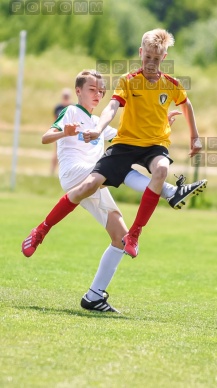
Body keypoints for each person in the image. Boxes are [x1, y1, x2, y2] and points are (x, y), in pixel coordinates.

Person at [34, 69, 204, 313]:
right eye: (92, 89)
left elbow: (129, 138)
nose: (97, 94)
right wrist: (65, 132)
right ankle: (168, 191)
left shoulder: (98, 123)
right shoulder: (70, 111)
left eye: (101, 90)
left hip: (92, 180)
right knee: (116, 167)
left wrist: (161, 124)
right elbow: (45, 137)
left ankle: (94, 296)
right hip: (74, 174)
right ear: (78, 91)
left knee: (120, 238)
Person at [22, 29, 204, 251]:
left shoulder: (171, 84)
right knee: (102, 180)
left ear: (164, 58)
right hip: (113, 153)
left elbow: (185, 105)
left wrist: (191, 135)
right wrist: (94, 129)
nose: (151, 63)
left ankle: (134, 235)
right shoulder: (125, 83)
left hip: (154, 145)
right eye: (147, 57)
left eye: (156, 59)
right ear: (141, 53)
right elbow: (112, 107)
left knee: (124, 230)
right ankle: (41, 230)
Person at [51, 88, 71, 175]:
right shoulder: (58, 107)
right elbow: (55, 120)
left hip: (69, 132)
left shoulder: (71, 107)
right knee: (56, 151)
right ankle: (52, 170)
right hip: (59, 132)